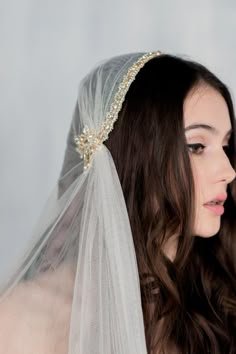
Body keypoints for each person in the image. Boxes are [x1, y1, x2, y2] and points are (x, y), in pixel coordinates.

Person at [0, 51, 236, 354]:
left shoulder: (219, 295)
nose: (229, 172)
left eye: (226, 146)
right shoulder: (25, 319)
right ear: (137, 154)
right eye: (197, 146)